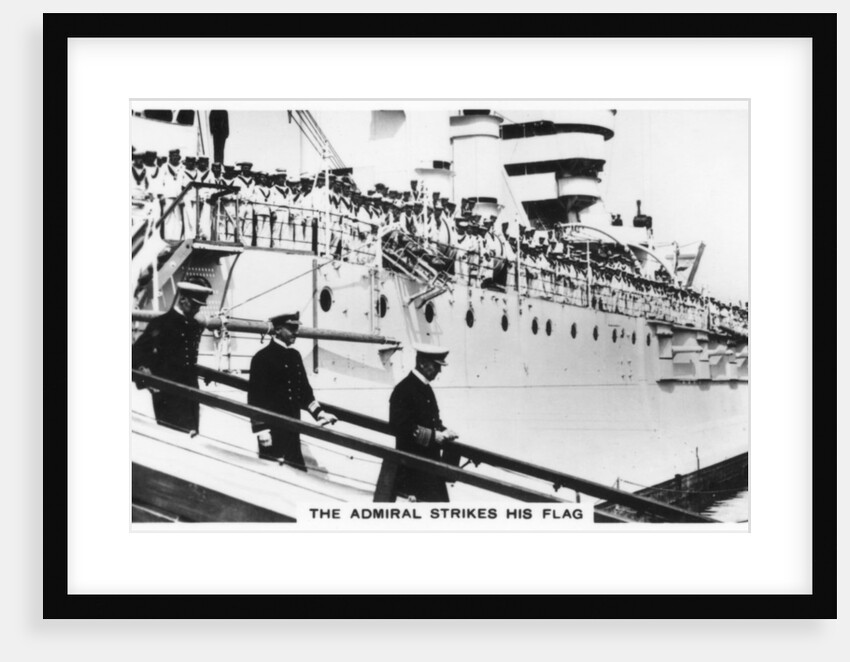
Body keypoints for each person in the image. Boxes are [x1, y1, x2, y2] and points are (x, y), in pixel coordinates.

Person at [247, 311, 337, 469]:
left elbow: (305, 391)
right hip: (271, 431)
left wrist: (320, 414)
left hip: (293, 429)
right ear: (277, 330)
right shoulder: (262, 358)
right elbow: (255, 397)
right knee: (273, 474)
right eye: (291, 329)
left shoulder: (295, 356)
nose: (296, 333)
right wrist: (261, 430)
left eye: (296, 328)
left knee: (297, 470)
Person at [132, 276, 215, 434]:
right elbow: (135, 353)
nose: (198, 310)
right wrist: (147, 377)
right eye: (195, 305)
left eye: (200, 306)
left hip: (191, 393)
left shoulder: (193, 325)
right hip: (167, 395)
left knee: (191, 436)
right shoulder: (161, 324)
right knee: (173, 438)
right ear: (183, 299)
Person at [388, 344, 461, 502]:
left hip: (429, 467)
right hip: (413, 469)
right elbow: (398, 426)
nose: (439, 371)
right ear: (422, 363)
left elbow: (432, 421)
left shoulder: (426, 388)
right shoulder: (403, 389)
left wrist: (444, 431)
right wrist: (434, 436)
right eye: (436, 366)